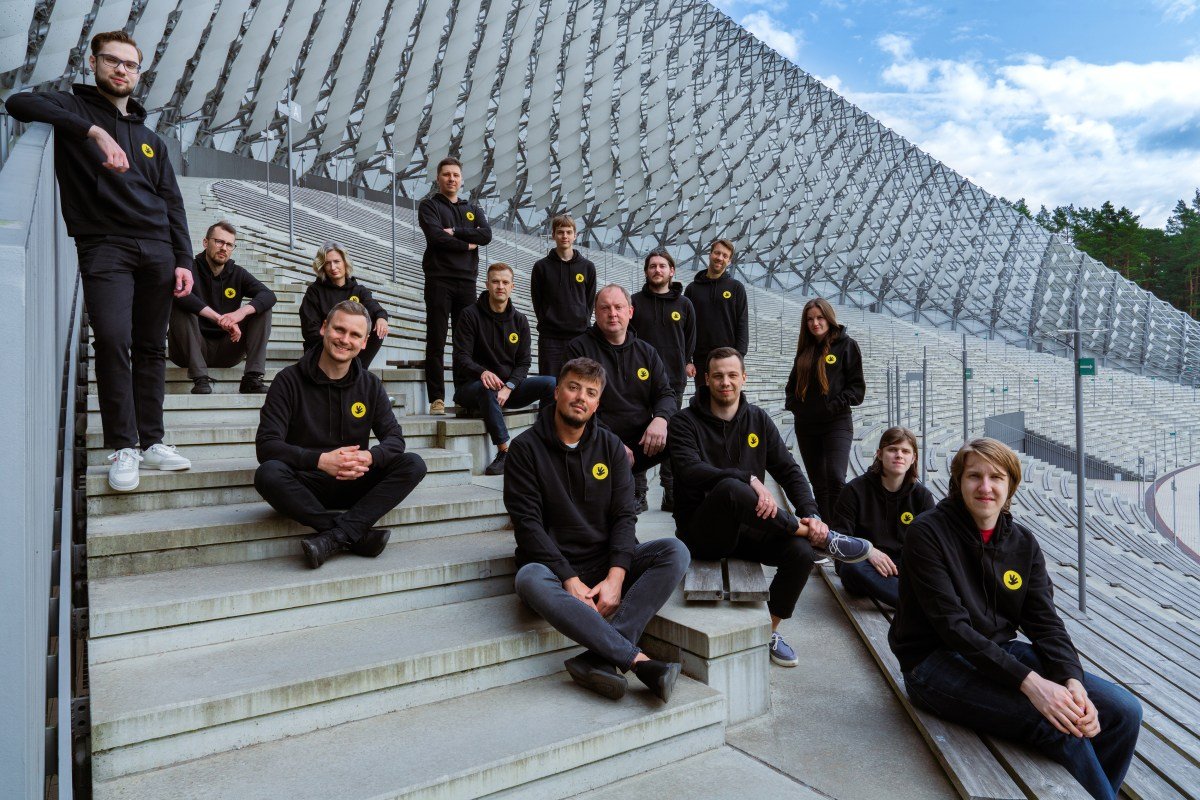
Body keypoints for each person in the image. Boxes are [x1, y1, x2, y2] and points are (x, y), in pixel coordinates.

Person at [889, 438, 1142, 800]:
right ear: (959, 482)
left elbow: (1045, 622)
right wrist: (1034, 685)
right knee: (1060, 724)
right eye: (974, 476)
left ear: (1011, 485)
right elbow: (953, 628)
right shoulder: (927, 533)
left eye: (996, 477)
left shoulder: (1022, 542)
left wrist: (1071, 679)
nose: (985, 487)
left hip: (998, 651)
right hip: (933, 663)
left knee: (1123, 712)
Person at [6, 30, 195, 491]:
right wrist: (92, 131)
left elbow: (172, 202)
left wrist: (184, 259)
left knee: (152, 347)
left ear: (138, 72)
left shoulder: (152, 138)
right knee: (112, 340)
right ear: (93, 63)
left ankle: (152, 441)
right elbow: (19, 102)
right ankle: (124, 446)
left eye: (130, 65)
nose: (121, 70)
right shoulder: (73, 109)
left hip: (158, 250)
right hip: (105, 244)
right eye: (112, 61)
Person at [670, 348, 872, 667]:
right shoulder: (683, 422)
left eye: (732, 375)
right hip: (704, 534)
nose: (726, 382)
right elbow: (689, 470)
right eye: (718, 376)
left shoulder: (758, 420)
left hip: (752, 529)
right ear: (706, 379)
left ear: (743, 378)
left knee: (803, 552)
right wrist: (747, 477)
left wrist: (812, 513)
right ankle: (819, 536)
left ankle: (770, 629)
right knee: (730, 488)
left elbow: (789, 471)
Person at [505, 357, 690, 702]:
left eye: (590, 392)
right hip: (555, 571)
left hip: (606, 565)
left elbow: (624, 516)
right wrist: (568, 580)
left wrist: (617, 577)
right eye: (573, 387)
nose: (581, 397)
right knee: (528, 578)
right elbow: (527, 526)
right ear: (557, 392)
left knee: (675, 551)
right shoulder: (524, 449)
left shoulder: (611, 448)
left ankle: (599, 658)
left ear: (598, 402)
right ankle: (636, 660)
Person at [255, 301, 428, 569]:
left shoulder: (370, 384)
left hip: (356, 481)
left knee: (414, 463)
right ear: (324, 328)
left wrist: (369, 457)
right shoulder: (287, 381)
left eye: (355, 335)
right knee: (268, 473)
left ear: (364, 342)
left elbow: (395, 440)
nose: (345, 340)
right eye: (339, 330)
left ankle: (333, 537)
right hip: (307, 486)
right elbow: (267, 445)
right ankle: (353, 534)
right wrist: (320, 460)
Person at [565, 285, 676, 514]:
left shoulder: (647, 352)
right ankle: (619, 493)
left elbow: (665, 393)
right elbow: (577, 406)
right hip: (598, 439)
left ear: (630, 312)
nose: (612, 313)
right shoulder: (580, 348)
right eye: (605, 308)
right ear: (595, 312)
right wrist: (611, 441)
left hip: (641, 442)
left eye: (618, 307)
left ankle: (679, 496)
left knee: (686, 430)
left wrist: (661, 419)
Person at [453, 263, 556, 475]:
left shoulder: (520, 320)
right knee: (486, 388)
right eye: (495, 281)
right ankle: (504, 451)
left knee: (552, 383)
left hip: (507, 390)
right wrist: (482, 372)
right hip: (472, 387)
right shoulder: (470, 315)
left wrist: (509, 386)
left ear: (512, 287)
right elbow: (461, 357)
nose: (500, 286)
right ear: (487, 284)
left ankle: (545, 440)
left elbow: (524, 363)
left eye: (505, 282)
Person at [418, 156, 492, 415]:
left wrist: (457, 232)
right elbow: (436, 237)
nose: (451, 179)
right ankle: (437, 397)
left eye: (455, 175)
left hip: (467, 282)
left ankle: (464, 393)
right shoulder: (429, 206)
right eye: (446, 174)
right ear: (438, 178)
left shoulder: (471, 208)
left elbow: (486, 235)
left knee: (466, 343)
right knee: (436, 339)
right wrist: (467, 244)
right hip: (439, 279)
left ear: (461, 180)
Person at [169, 221, 276, 394]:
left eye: (229, 244)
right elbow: (181, 294)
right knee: (181, 305)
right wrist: (219, 318)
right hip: (188, 348)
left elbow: (269, 295)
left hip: (227, 349)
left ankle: (252, 378)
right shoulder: (188, 269)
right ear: (205, 242)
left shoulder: (237, 273)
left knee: (261, 308)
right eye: (219, 242)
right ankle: (200, 378)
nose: (224, 248)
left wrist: (239, 314)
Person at [832, 427, 934, 608]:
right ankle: (915, 604)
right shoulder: (854, 491)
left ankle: (906, 597)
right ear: (879, 454)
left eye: (905, 451)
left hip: (902, 566)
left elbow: (930, 546)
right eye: (892, 449)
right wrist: (868, 551)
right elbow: (839, 541)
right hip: (864, 563)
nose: (899, 455)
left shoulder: (922, 497)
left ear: (913, 458)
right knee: (851, 568)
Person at [785, 298, 864, 520]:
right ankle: (827, 534)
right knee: (819, 483)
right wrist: (796, 407)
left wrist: (831, 407)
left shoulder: (847, 345)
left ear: (829, 318)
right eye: (810, 319)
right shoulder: (805, 350)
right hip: (807, 425)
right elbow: (791, 388)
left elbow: (857, 390)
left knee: (836, 478)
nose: (815, 323)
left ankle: (842, 531)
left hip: (836, 422)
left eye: (819, 318)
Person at [631, 248, 696, 512]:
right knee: (637, 433)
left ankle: (670, 492)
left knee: (671, 435)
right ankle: (639, 494)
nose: (657, 270)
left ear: (671, 271)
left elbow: (690, 339)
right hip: (638, 378)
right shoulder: (634, 301)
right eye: (652, 266)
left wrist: (686, 361)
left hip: (673, 380)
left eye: (662, 266)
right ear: (646, 271)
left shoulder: (684, 305)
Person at [298, 242, 390, 368]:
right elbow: (310, 331)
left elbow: (375, 307)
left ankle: (358, 369)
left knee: (377, 326)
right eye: (327, 263)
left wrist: (381, 317)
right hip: (322, 349)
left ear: (345, 262)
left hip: (351, 350)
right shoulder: (314, 292)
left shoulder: (359, 290)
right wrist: (336, 343)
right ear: (322, 267)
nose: (333, 267)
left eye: (337, 261)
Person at [530, 214, 596, 377]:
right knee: (550, 385)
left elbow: (589, 301)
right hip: (550, 338)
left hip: (579, 336)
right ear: (553, 235)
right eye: (560, 232)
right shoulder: (541, 267)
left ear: (575, 235)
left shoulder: (588, 267)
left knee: (578, 383)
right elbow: (537, 301)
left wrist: (582, 321)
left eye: (568, 232)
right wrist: (548, 319)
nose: (564, 236)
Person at [684, 239, 747, 389]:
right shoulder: (692, 289)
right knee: (703, 401)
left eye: (725, 256)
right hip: (700, 359)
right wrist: (687, 360)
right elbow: (685, 327)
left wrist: (739, 358)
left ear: (729, 261)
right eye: (717, 253)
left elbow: (742, 323)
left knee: (726, 402)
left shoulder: (736, 288)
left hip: (728, 358)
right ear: (710, 254)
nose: (720, 258)